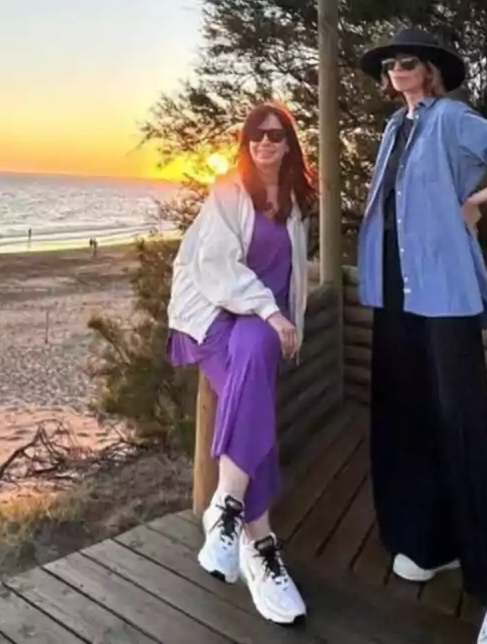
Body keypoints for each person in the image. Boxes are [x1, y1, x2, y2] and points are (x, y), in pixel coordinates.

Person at [357, 29, 487, 644]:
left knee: (464, 429)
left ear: (432, 72)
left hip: (443, 296)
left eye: (408, 62)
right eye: (390, 63)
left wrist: (476, 201)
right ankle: (431, 539)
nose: (397, 70)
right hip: (394, 294)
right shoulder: (396, 130)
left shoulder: (451, 119)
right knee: (404, 417)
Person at [166, 102, 316, 626]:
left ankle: (226, 508)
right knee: (254, 403)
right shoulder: (229, 191)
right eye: (257, 135)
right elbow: (216, 265)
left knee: (254, 359)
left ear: (290, 143)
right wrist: (273, 313)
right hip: (214, 313)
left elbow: (293, 271)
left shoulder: (297, 202)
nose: (266, 143)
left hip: (262, 325)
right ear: (246, 143)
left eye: (276, 135)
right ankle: (261, 546)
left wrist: (283, 318)